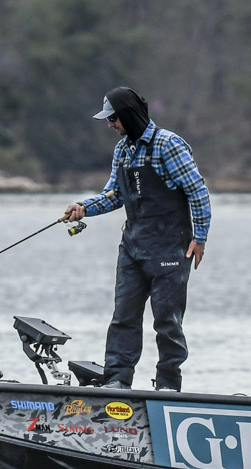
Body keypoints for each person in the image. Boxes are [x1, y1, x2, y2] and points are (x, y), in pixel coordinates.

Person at [62, 87, 212, 392]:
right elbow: (114, 195)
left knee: (167, 321)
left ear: (129, 115)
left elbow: (197, 191)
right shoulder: (123, 150)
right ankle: (117, 381)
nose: (110, 125)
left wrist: (200, 238)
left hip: (171, 247)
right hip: (132, 247)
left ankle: (168, 385)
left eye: (113, 118)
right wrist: (84, 208)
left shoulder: (168, 145)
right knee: (123, 317)